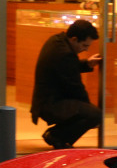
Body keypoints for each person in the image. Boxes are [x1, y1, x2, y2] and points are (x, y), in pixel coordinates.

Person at [30, 19, 102, 149]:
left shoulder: (56, 40)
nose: (85, 50)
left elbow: (66, 68)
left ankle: (56, 134)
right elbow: (75, 87)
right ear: (74, 39)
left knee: (89, 111)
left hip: (45, 100)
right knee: (95, 114)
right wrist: (91, 111)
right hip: (50, 104)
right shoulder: (65, 54)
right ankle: (57, 137)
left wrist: (87, 64)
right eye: (85, 46)